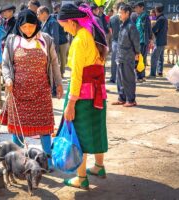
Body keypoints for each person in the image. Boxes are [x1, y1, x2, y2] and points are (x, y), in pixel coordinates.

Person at [2, 9, 63, 171]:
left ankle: (47, 162)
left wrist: (58, 83)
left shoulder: (46, 40)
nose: (28, 30)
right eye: (24, 27)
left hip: (41, 91)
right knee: (18, 129)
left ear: (37, 24)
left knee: (45, 128)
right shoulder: (11, 40)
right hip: (18, 93)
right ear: (19, 26)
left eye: (31, 26)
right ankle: (18, 162)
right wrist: (7, 78)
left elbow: (55, 63)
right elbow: (6, 64)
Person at [57, 3, 108, 189]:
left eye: (64, 26)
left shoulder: (79, 40)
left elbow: (76, 75)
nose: (65, 30)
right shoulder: (93, 33)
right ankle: (99, 166)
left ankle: (81, 178)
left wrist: (71, 103)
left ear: (72, 22)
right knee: (96, 129)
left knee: (80, 135)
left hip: (82, 96)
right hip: (98, 93)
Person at [112, 4, 140, 107]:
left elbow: (136, 42)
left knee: (128, 79)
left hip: (128, 57)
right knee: (120, 79)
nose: (119, 14)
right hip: (120, 56)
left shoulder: (131, 26)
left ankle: (131, 100)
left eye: (121, 12)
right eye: (118, 12)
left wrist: (137, 53)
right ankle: (122, 98)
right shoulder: (122, 25)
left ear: (127, 13)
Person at [134, 1, 152, 82]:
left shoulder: (145, 16)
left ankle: (140, 77)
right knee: (141, 59)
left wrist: (150, 39)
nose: (136, 9)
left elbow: (148, 28)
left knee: (139, 59)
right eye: (135, 8)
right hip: (139, 41)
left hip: (142, 41)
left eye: (137, 7)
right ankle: (142, 76)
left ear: (142, 8)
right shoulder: (139, 17)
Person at [108, 2, 125, 84]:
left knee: (114, 61)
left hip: (115, 42)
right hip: (124, 42)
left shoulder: (112, 18)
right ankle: (121, 78)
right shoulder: (126, 18)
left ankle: (113, 78)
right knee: (123, 61)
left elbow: (110, 31)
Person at [150, 4, 168, 78]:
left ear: (156, 10)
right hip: (163, 40)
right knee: (160, 57)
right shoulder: (165, 18)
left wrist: (156, 34)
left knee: (154, 57)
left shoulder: (160, 19)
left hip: (159, 41)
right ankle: (160, 72)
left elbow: (154, 29)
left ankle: (153, 74)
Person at [52, 3, 69, 78]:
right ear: (58, 9)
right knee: (63, 58)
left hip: (54, 41)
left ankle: (56, 74)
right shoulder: (63, 17)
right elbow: (66, 30)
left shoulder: (51, 17)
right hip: (63, 40)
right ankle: (61, 73)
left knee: (56, 58)